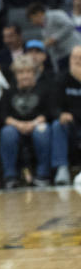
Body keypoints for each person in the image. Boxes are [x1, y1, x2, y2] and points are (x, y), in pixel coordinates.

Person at [0, 55, 52, 189]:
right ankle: (10, 176)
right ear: (15, 75)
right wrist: (18, 124)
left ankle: (42, 174)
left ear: (34, 73)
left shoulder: (44, 89)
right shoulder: (9, 92)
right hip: (16, 126)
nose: (25, 75)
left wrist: (33, 123)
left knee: (42, 131)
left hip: (38, 124)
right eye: (21, 72)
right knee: (7, 132)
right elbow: (1, 115)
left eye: (28, 72)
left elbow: (49, 112)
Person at [50, 44, 81, 185]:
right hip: (71, 124)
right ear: (69, 60)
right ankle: (61, 168)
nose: (78, 61)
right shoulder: (61, 79)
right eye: (75, 58)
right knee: (58, 125)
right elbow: (53, 106)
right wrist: (61, 114)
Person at [27, 1, 81, 72]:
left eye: (32, 19)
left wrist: (54, 39)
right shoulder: (43, 30)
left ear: (38, 13)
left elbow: (69, 25)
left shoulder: (55, 14)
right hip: (62, 57)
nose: (33, 23)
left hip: (75, 50)